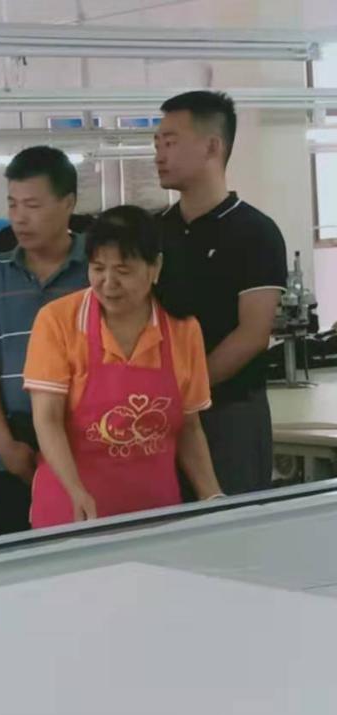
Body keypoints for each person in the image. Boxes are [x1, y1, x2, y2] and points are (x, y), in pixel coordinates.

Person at [24, 206, 224, 527]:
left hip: (155, 511)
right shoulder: (58, 321)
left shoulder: (182, 329)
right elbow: (47, 419)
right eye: (98, 268)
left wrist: (212, 496)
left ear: (155, 267)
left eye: (123, 270)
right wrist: (75, 490)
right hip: (73, 511)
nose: (108, 283)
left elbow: (189, 427)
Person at [155, 91, 287, 495]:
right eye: (157, 143)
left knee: (233, 522)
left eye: (170, 142)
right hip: (160, 413)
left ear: (212, 146)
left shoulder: (255, 232)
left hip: (230, 411)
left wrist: (188, 392)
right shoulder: (154, 233)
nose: (159, 154)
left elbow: (252, 335)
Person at [0, 146, 90, 537]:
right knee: (14, 557)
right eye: (12, 204)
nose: (19, 217)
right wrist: (4, 444)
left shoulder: (98, 271)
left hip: (89, 441)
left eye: (32, 205)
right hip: (16, 445)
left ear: (68, 203)